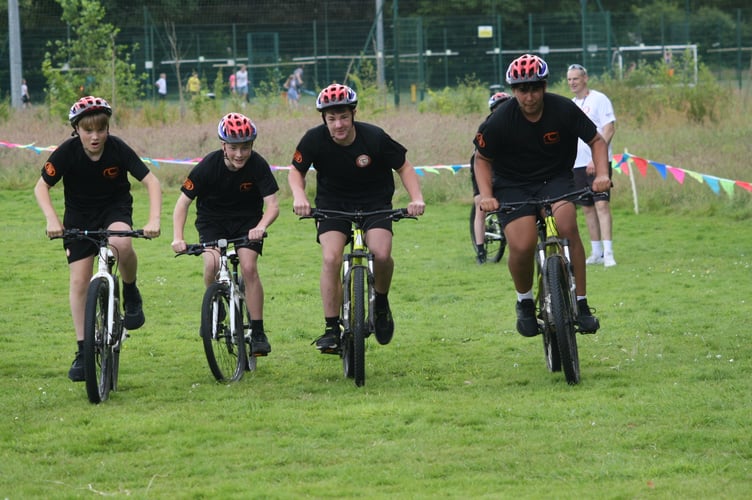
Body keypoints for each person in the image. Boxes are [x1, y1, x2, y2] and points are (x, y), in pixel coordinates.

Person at [473, 54, 610, 337]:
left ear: (545, 86)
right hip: (513, 185)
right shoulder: (500, 119)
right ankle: (524, 301)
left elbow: (596, 140)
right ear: (513, 90)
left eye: (536, 88)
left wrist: (602, 175)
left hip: (555, 179)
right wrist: (486, 195)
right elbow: (481, 159)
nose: (530, 95)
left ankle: (582, 305)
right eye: (523, 89)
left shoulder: (563, 110)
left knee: (568, 226)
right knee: (522, 245)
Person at [288, 83, 425, 353]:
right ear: (324, 119)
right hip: (333, 203)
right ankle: (330, 328)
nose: (338, 124)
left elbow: (404, 167)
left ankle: (381, 303)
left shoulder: (374, 137)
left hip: (374, 201)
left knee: (382, 254)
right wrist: (299, 196)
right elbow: (296, 171)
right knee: (331, 258)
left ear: (353, 114)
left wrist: (416, 198)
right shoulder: (314, 139)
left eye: (343, 117)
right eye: (331, 119)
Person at [33, 96, 162, 381]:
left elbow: (151, 182)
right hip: (78, 216)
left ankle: (130, 291)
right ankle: (83, 349)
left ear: (107, 128)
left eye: (101, 129)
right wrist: (52, 220)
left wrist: (154, 219)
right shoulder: (66, 152)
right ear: (76, 129)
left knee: (122, 243)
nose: (95, 136)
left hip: (114, 208)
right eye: (88, 130)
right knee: (79, 280)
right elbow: (41, 187)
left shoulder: (117, 149)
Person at [171, 113, 279, 356]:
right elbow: (182, 204)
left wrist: (261, 225)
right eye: (233, 148)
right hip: (212, 222)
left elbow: (273, 205)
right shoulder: (208, 166)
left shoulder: (258, 165)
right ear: (223, 146)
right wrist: (178, 237)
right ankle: (216, 303)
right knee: (212, 263)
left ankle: (259, 331)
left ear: (252, 145)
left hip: (247, 221)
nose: (239, 154)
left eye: (245, 148)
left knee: (249, 267)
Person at [567, 63, 617, 267]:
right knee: (587, 207)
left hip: (598, 163)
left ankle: (609, 252)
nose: (572, 83)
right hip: (577, 164)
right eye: (569, 79)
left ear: (585, 79)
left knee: (601, 205)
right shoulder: (570, 104)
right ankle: (596, 252)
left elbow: (609, 129)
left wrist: (597, 158)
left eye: (575, 79)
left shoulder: (599, 99)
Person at [471, 91, 511, 264]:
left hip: (504, 167)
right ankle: (480, 249)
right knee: (481, 205)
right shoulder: (488, 126)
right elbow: (480, 157)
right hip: (483, 166)